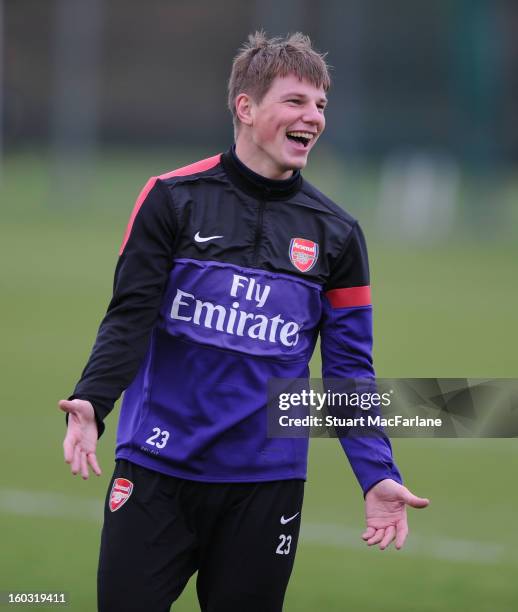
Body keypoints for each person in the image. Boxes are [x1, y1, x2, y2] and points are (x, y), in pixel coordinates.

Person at [59, 31, 429, 612]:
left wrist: (376, 472)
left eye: (321, 105)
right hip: (156, 471)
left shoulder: (337, 234)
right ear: (246, 106)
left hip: (266, 485)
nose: (314, 117)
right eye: (296, 101)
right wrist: (93, 401)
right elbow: (128, 317)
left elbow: (349, 370)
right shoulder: (170, 198)